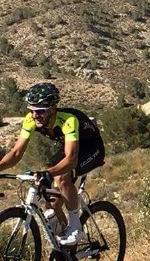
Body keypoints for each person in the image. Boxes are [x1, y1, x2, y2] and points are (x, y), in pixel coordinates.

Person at [0, 82, 105, 246]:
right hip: (69, 146)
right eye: (31, 110)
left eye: (40, 111)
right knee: (52, 204)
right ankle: (65, 249)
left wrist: (48, 173)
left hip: (91, 148)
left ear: (53, 108)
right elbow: (16, 153)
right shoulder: (31, 120)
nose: (35, 115)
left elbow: (71, 159)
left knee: (62, 177)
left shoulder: (68, 120)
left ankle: (76, 227)